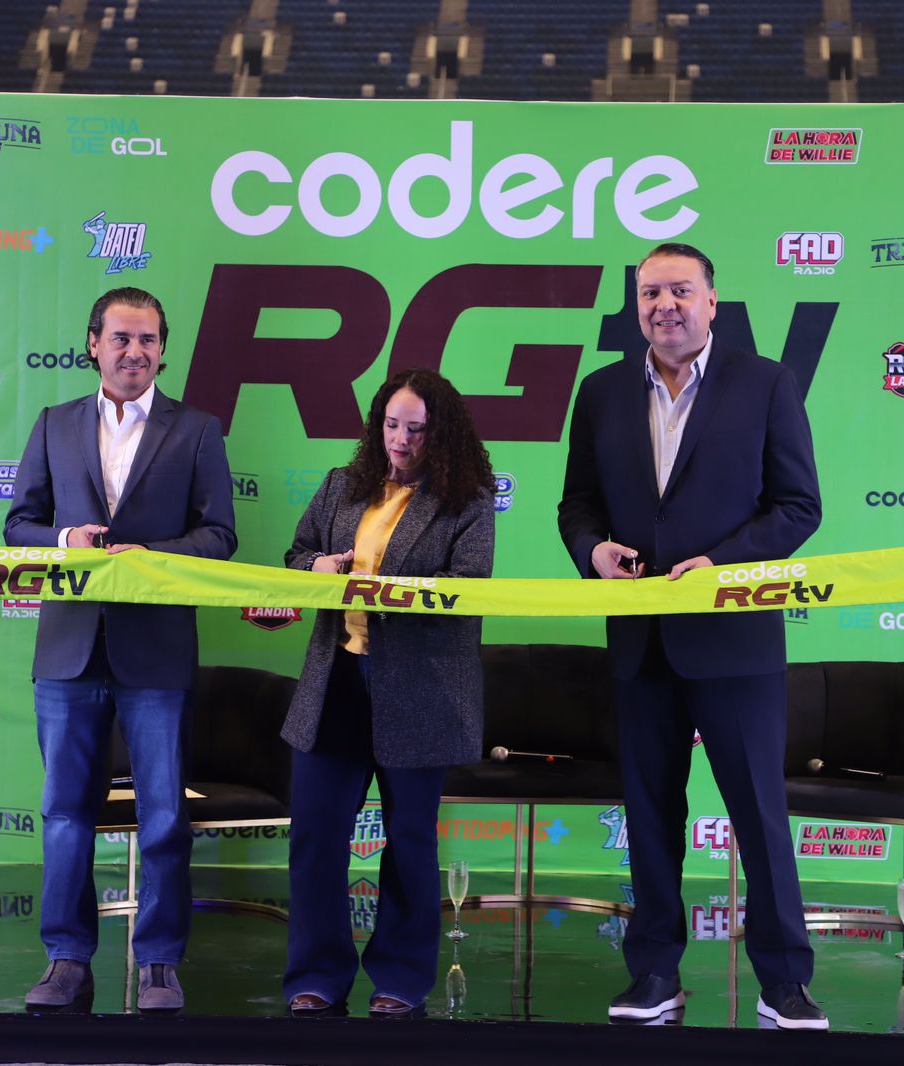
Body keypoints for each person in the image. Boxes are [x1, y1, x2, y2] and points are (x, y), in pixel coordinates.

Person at [557, 244, 827, 1029]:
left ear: (712, 300)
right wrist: (593, 551)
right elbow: (577, 504)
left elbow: (799, 505)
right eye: (649, 293)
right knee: (648, 816)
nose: (663, 305)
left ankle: (784, 982)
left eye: (680, 290)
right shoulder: (600, 392)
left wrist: (723, 566)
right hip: (639, 641)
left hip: (735, 641)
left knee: (759, 817)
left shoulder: (766, 383)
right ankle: (653, 973)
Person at [4, 287, 236, 1011]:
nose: (135, 351)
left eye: (148, 340)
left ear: (163, 349)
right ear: (93, 344)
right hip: (68, 650)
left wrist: (154, 557)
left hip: (156, 653)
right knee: (65, 814)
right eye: (122, 338)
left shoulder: (197, 430)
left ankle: (160, 962)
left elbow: (220, 536)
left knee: (163, 816)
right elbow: (17, 525)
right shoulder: (54, 424)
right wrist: (64, 539)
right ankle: (66, 959)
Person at [281, 368, 495, 1018]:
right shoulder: (340, 486)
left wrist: (393, 594)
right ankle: (317, 975)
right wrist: (317, 568)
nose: (400, 440)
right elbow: (296, 557)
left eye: (416, 430)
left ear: (443, 434)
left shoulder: (468, 502)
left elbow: (468, 588)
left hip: (420, 689)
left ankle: (400, 979)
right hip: (337, 680)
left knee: (410, 838)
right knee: (317, 835)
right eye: (391, 425)